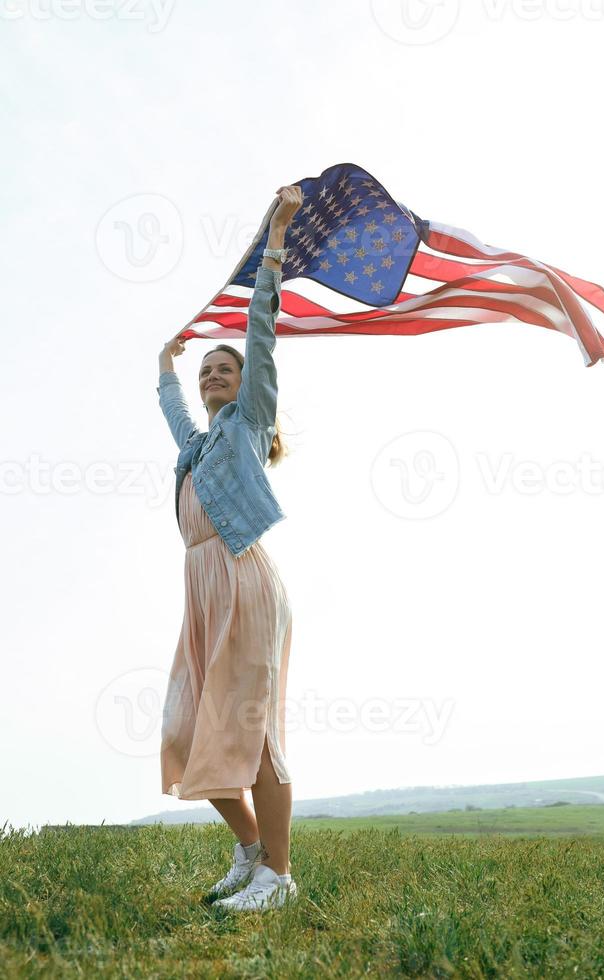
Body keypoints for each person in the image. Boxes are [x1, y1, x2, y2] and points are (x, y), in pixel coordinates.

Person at [156, 185, 303, 911]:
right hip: (201, 585)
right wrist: (164, 367)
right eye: (206, 371)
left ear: (245, 388)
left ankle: (277, 876)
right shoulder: (197, 446)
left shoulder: (247, 422)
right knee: (190, 727)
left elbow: (261, 333)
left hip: (242, 575)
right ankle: (250, 854)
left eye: (225, 369)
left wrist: (274, 241)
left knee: (253, 729)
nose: (215, 375)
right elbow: (175, 413)